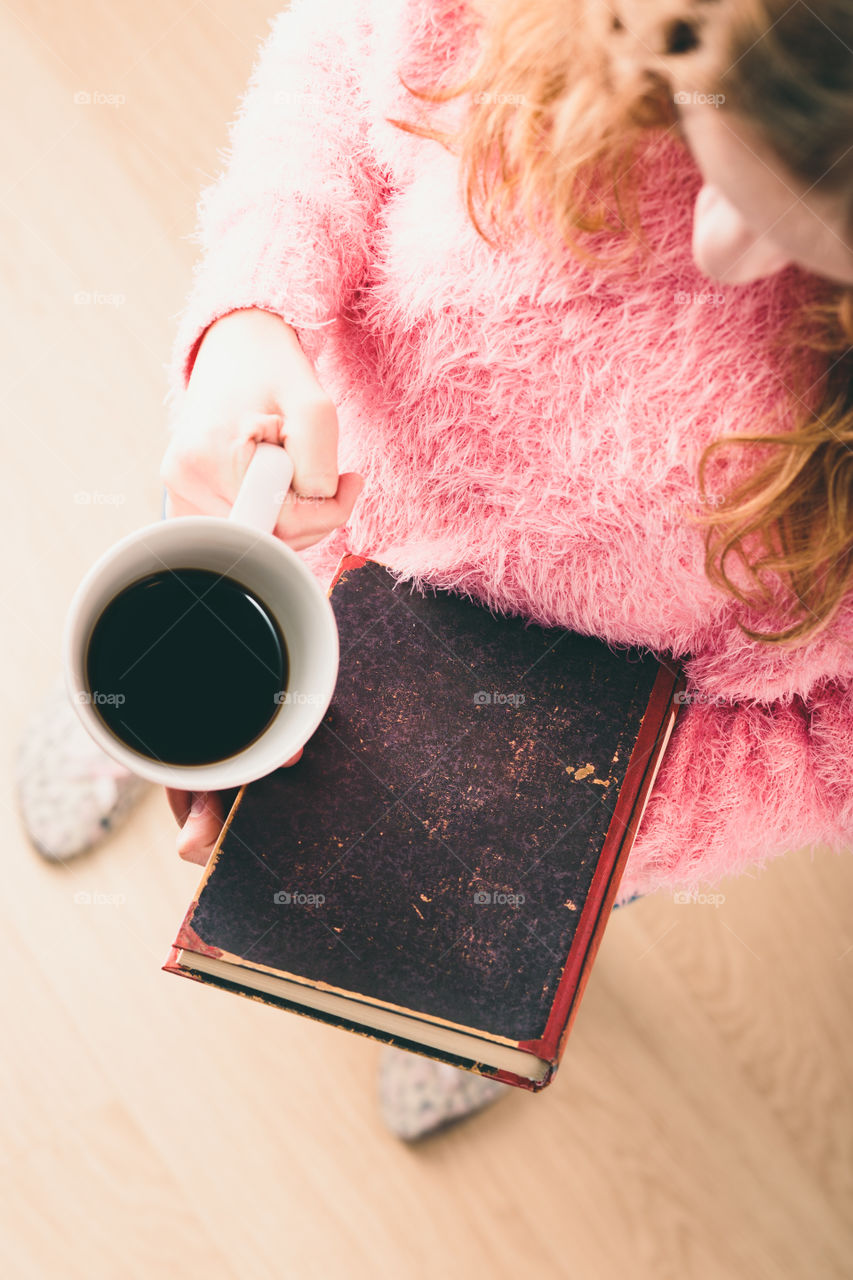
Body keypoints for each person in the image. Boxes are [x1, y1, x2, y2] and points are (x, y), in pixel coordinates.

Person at [17, 0, 853, 1139]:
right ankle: (146, 689)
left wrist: (574, 823)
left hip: (593, 764)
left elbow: (832, 745)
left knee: (479, 941)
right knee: (174, 626)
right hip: (292, 515)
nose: (722, 251)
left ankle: (476, 976)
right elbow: (337, 65)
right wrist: (254, 312)